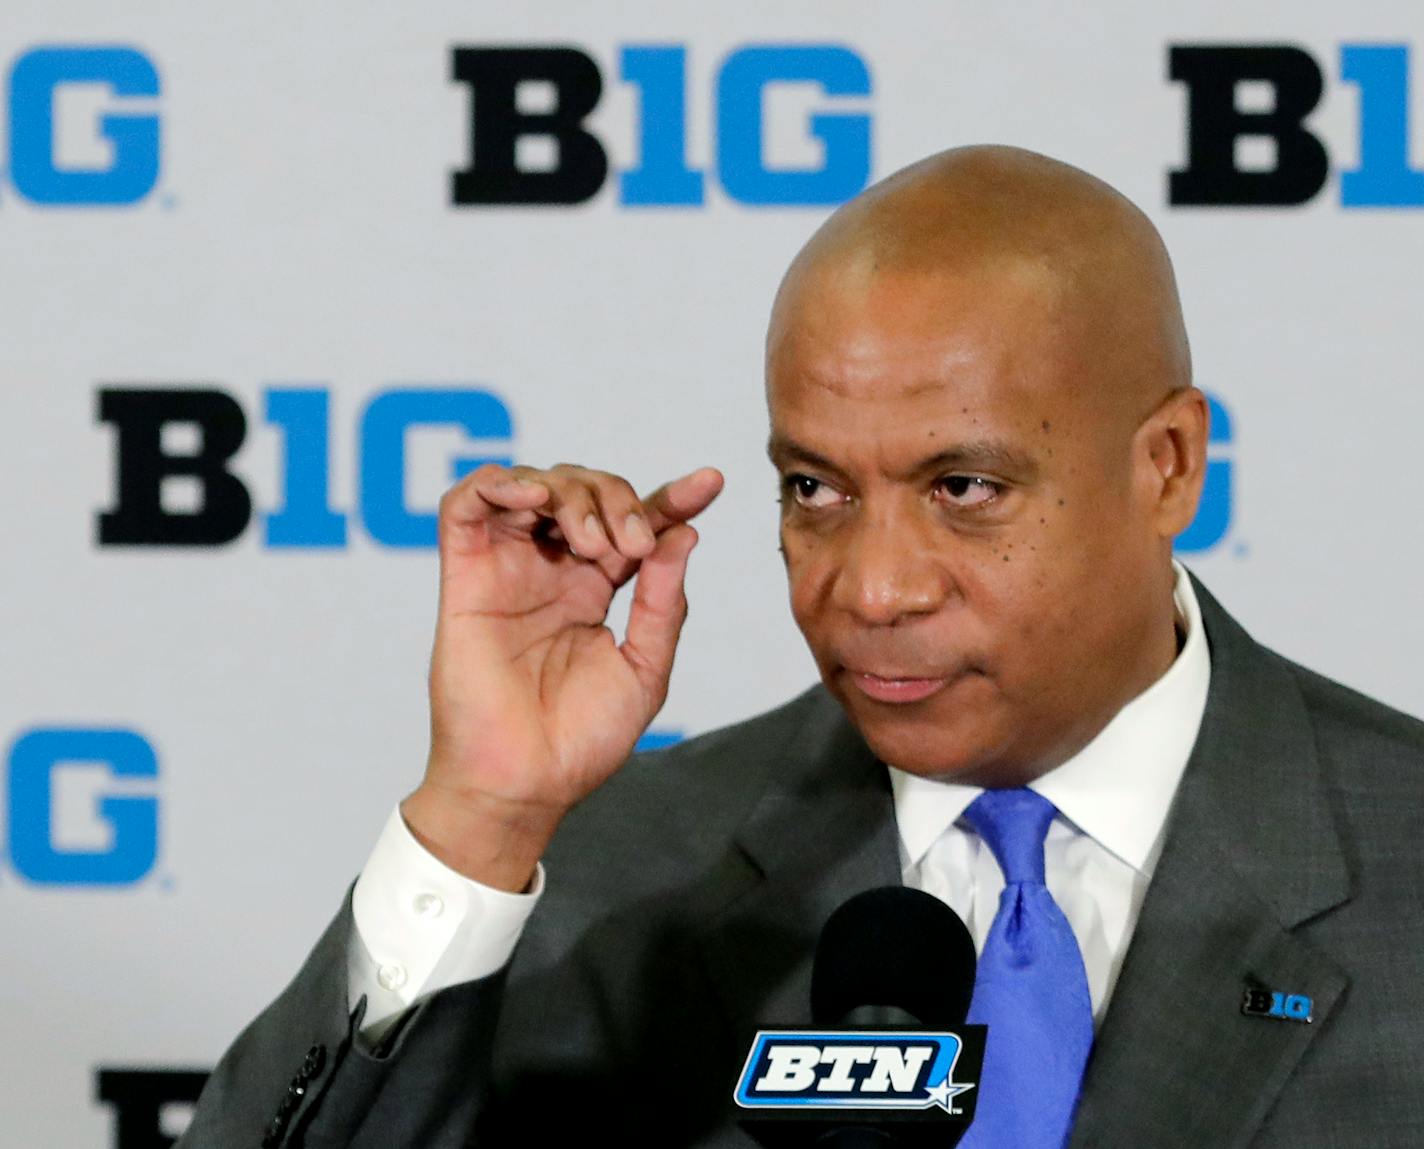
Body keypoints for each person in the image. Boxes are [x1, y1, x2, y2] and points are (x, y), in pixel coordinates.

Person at [179, 146, 1424, 1148]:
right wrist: (482, 817)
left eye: (964, 487)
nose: (870, 589)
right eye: (815, 490)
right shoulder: (613, 877)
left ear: (1165, 466)